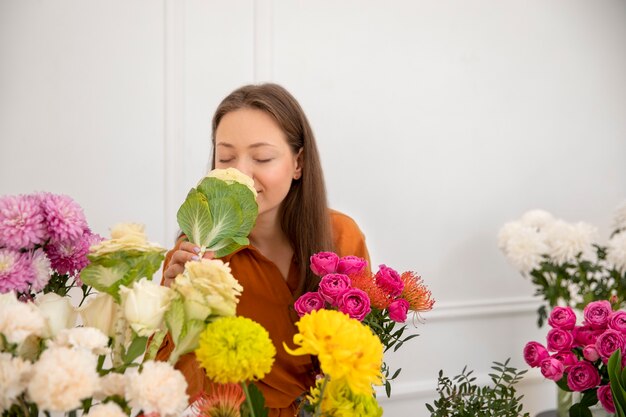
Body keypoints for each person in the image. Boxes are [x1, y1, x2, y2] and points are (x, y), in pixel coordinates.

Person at [156, 83, 370, 417]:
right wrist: (172, 308)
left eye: (262, 157)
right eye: (225, 157)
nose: (239, 172)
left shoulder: (342, 238)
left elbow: (359, 358)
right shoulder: (195, 256)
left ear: (298, 163)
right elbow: (170, 384)